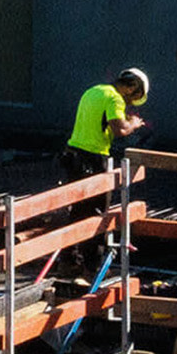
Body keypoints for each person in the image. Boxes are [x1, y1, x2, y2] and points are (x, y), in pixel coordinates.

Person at [59, 67, 150, 273]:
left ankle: (68, 261)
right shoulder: (114, 98)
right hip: (93, 158)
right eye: (132, 99)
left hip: (72, 154)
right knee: (97, 214)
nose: (128, 104)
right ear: (132, 87)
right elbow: (120, 130)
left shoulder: (94, 90)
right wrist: (134, 124)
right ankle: (94, 266)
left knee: (76, 210)